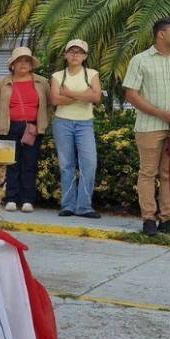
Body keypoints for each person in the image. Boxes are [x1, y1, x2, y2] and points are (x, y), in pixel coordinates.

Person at [122, 18, 170, 236]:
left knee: (169, 173)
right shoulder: (140, 60)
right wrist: (161, 114)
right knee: (148, 172)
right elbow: (131, 94)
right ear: (161, 34)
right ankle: (148, 219)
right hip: (149, 126)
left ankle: (167, 220)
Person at [0, 47, 51, 213]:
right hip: (10, 128)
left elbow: (50, 106)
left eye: (27, 61)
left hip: (33, 128)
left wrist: (43, 123)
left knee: (30, 164)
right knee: (11, 165)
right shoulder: (3, 83)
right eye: (20, 61)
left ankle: (28, 200)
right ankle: (11, 199)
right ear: (13, 65)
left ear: (31, 64)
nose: (23, 64)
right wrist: (0, 123)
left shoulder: (42, 82)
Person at [49, 39, 102, 218]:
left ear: (85, 56)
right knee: (67, 165)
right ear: (65, 55)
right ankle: (68, 205)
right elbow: (55, 100)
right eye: (71, 51)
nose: (75, 55)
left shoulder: (92, 74)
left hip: (85, 123)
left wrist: (68, 93)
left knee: (89, 163)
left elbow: (96, 97)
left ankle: (84, 206)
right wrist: (84, 95)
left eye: (79, 52)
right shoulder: (57, 76)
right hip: (62, 122)